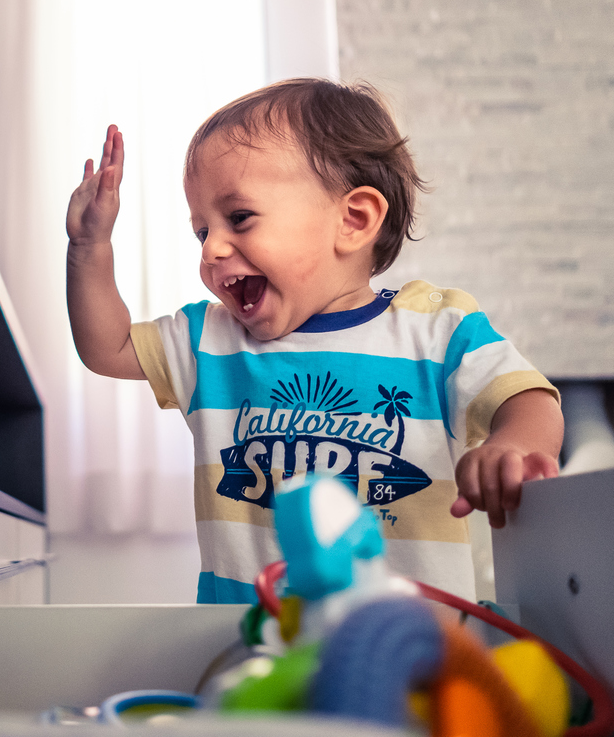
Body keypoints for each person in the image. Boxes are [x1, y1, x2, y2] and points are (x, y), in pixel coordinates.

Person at [65, 78, 563, 603]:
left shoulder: (437, 329)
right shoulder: (209, 340)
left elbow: (527, 397)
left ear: (352, 220)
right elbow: (108, 347)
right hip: (253, 641)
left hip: (408, 645)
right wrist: (87, 249)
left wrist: (513, 447)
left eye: (238, 218)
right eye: (201, 231)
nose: (211, 249)